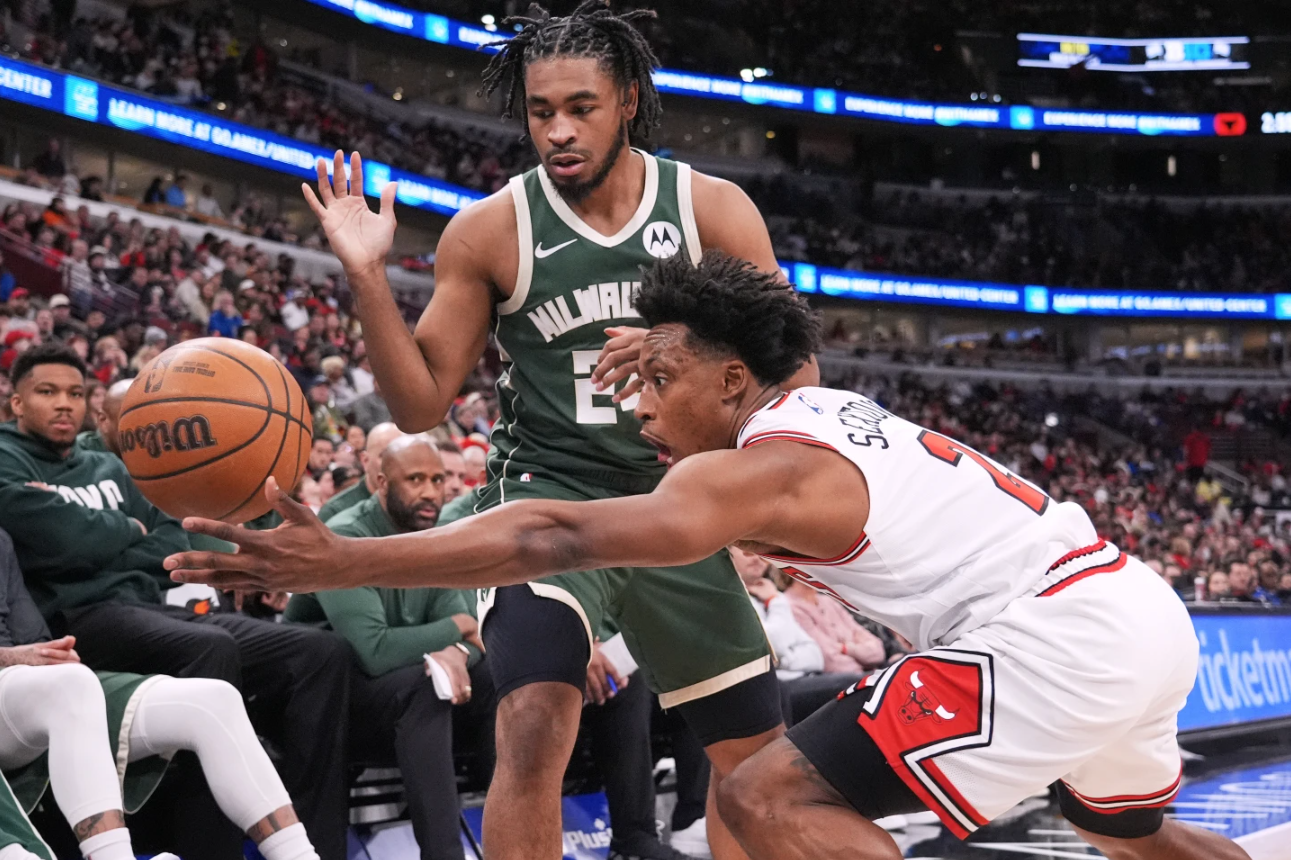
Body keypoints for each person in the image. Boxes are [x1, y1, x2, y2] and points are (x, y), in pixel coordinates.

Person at [170, 251, 1246, 860]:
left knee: (762, 800)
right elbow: (772, 336)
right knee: (1134, 835)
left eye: (656, 380)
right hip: (1131, 611)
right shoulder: (818, 399)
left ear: (734, 382)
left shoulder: (755, 470)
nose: (636, 404)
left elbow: (552, 529)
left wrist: (334, 564)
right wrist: (676, 336)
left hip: (1050, 633)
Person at [292, 5, 815, 857]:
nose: (559, 131)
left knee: (754, 768)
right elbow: (422, 405)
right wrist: (367, 277)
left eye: (581, 107)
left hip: (672, 509)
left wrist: (678, 345)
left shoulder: (710, 211)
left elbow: (794, 381)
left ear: (630, 102)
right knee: (533, 722)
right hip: (547, 496)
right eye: (541, 112)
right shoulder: (491, 229)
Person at [0, 343, 352, 860]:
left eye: (75, 393)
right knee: (208, 649)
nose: (64, 405)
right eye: (47, 392)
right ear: (16, 403)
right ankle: (208, 851)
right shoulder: (6, 458)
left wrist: (105, 537)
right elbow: (58, 542)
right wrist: (125, 529)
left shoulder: (109, 465)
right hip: (80, 618)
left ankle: (318, 846)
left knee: (321, 656)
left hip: (150, 605)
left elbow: (169, 540)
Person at [0, 529, 321, 860]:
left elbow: (32, 637)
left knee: (213, 700)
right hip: (17, 678)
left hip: (22, 685)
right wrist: (13, 656)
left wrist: (45, 654)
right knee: (72, 685)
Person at [285, 436, 493, 860]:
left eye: (437, 480)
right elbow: (374, 651)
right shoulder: (343, 537)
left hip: (399, 687)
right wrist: (455, 628)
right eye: (415, 479)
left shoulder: (434, 536)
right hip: (330, 704)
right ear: (381, 481)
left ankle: (509, 839)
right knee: (425, 687)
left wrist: (456, 649)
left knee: (496, 676)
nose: (432, 492)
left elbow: (473, 641)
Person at [317, 422, 401, 522]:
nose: (396, 464)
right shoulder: (335, 511)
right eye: (385, 456)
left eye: (402, 457)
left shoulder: (415, 505)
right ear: (365, 460)